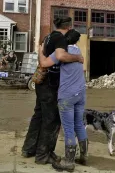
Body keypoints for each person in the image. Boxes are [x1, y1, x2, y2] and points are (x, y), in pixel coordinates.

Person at [21, 17, 84, 165]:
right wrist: (77, 57)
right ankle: (44, 155)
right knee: (52, 119)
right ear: (68, 28)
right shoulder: (60, 38)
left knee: (39, 116)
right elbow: (61, 56)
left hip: (42, 83)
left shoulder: (48, 36)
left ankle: (29, 148)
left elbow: (41, 54)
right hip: (50, 85)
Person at [39, 29, 88, 172]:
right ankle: (84, 156)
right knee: (79, 124)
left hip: (67, 95)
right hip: (81, 94)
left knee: (68, 128)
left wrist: (41, 50)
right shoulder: (79, 53)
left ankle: (69, 162)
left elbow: (44, 64)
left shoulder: (61, 53)